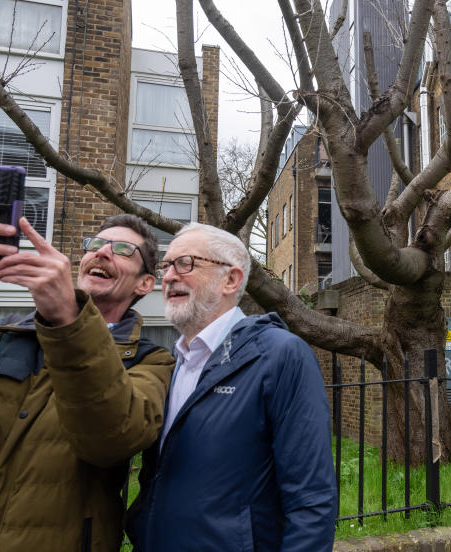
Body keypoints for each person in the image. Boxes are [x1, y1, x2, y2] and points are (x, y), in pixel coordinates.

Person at [0, 203, 175, 552]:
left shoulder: (152, 362)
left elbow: (109, 441)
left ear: (146, 282)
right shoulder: (3, 334)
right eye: (94, 244)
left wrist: (69, 321)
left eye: (121, 250)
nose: (101, 252)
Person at [128, 223, 336, 551]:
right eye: (166, 265)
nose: (168, 276)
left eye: (186, 263)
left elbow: (312, 501)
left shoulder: (281, 355)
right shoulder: (173, 361)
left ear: (231, 279)